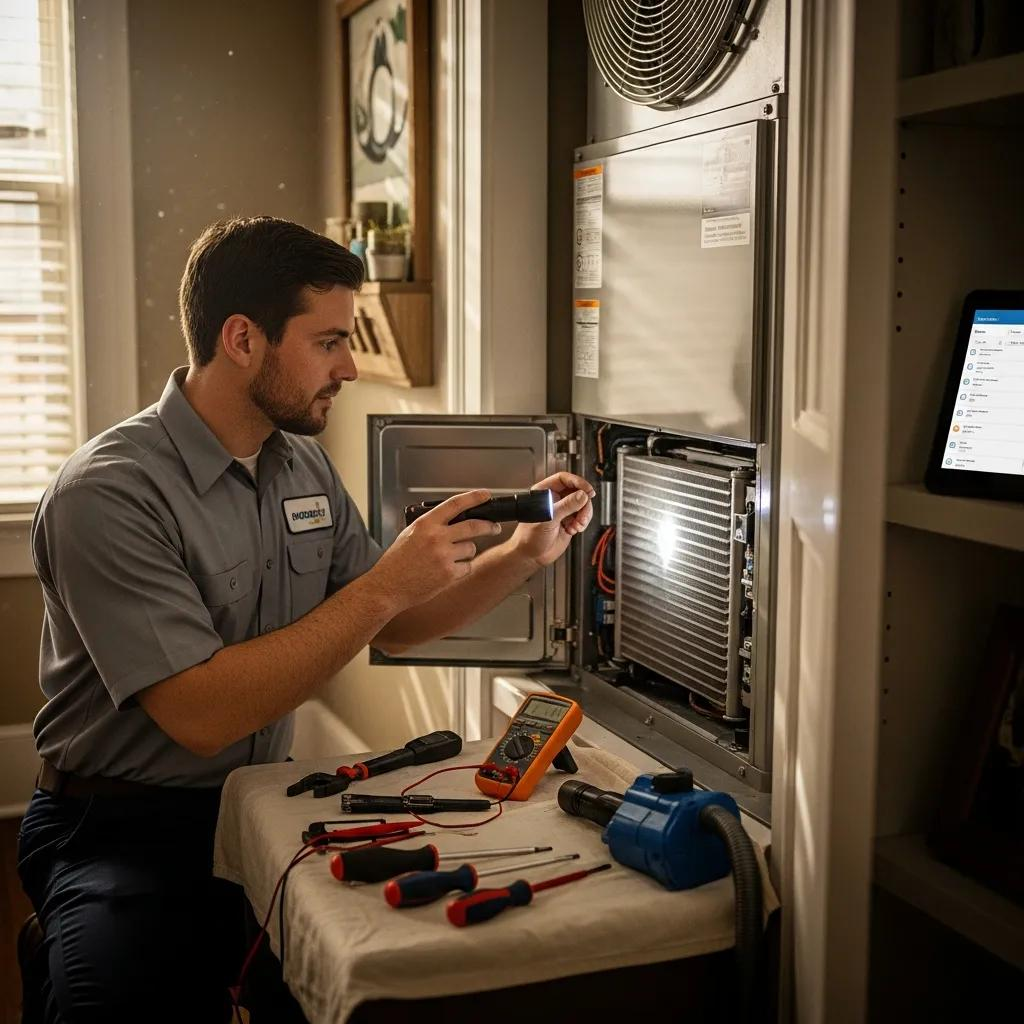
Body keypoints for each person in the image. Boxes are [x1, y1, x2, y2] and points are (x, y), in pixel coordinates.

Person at [16, 216, 595, 1022]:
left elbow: (389, 625)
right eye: (328, 341)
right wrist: (387, 586)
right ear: (244, 339)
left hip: (265, 806)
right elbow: (201, 714)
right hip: (118, 828)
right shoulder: (107, 495)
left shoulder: (301, 462)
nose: (350, 367)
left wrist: (523, 558)